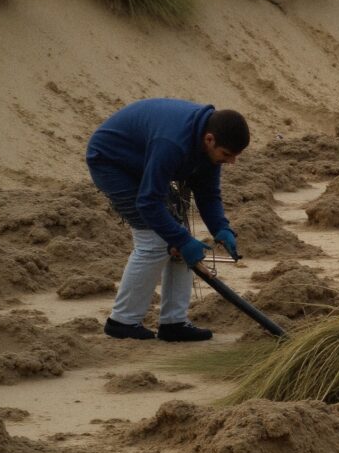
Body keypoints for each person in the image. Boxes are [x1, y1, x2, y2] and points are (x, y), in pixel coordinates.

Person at [86, 99, 249, 342]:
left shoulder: (208, 145)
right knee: (154, 242)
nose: (231, 162)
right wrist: (182, 240)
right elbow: (148, 201)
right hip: (112, 162)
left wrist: (221, 227)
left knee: (176, 235)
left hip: (144, 160)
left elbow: (208, 193)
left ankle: (174, 323)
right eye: (227, 155)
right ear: (209, 139)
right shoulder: (173, 143)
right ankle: (122, 322)